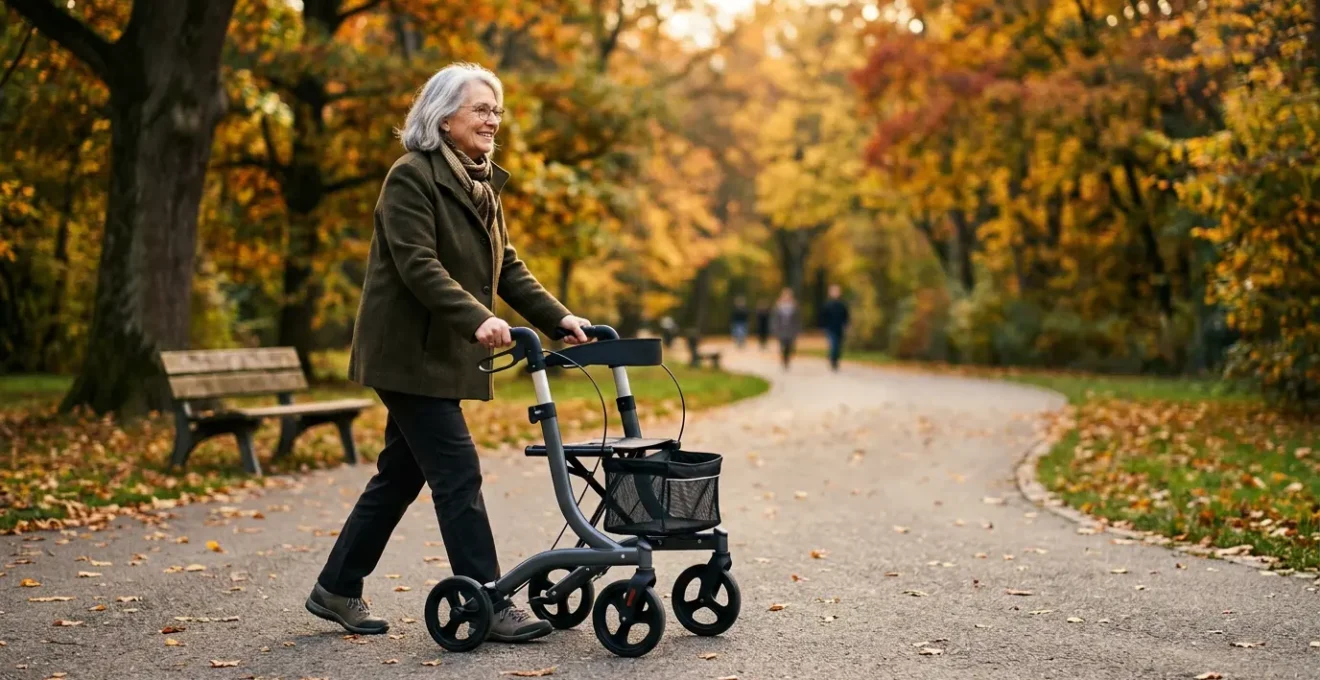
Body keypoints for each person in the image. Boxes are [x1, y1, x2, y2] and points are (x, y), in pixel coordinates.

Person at [306, 63, 592, 644]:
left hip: (435, 354)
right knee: (458, 472)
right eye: (480, 109)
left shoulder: (483, 183)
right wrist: (479, 318)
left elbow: (505, 265)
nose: (492, 120)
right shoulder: (410, 177)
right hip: (407, 354)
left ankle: (336, 587)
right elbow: (419, 265)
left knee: (399, 475)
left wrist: (558, 316)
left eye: (496, 110)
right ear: (442, 117)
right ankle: (487, 600)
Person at [820, 284, 850, 371]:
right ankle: (833, 361)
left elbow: (846, 316)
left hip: (839, 328)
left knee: (838, 346)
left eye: (837, 291)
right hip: (830, 328)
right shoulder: (827, 305)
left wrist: (846, 325)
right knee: (834, 345)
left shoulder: (842, 305)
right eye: (834, 292)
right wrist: (823, 326)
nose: (836, 293)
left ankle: (835, 360)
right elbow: (823, 317)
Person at [769, 287, 801, 370]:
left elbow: (797, 320)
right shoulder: (778, 306)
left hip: (791, 330)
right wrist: (775, 329)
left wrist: (797, 330)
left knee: (789, 347)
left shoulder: (794, 306)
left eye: (788, 296)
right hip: (781, 330)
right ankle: (783, 360)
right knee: (782, 346)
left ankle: (787, 360)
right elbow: (775, 319)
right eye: (785, 296)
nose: (786, 297)